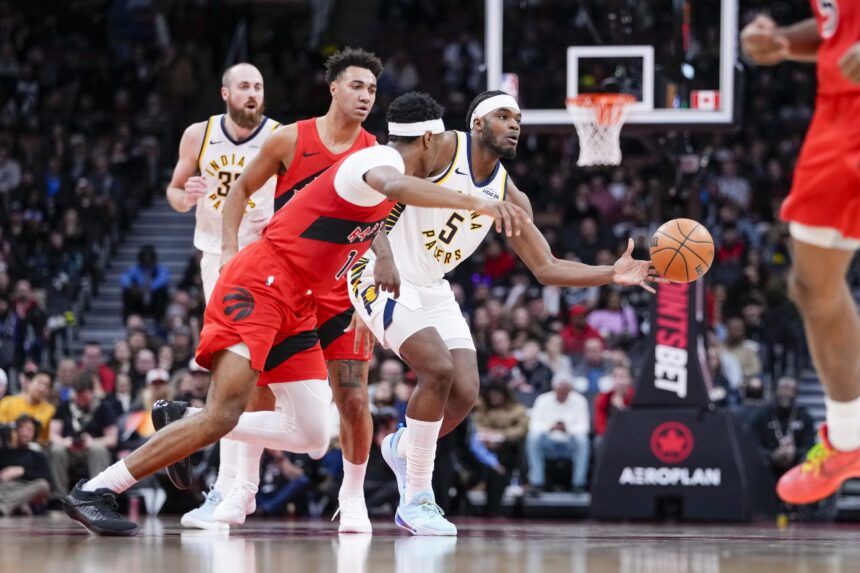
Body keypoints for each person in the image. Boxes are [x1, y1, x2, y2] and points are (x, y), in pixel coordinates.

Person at [61, 91, 528, 536]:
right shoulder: (375, 162)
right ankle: (97, 489)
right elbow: (395, 185)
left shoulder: (399, 193)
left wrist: (365, 302)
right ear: (429, 140)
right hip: (259, 287)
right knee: (224, 414)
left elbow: (374, 241)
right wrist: (476, 201)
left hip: (303, 302)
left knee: (310, 435)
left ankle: (185, 416)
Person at [348, 90, 655, 535]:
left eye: (518, 118)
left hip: (431, 285)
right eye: (503, 116)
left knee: (464, 391)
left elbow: (546, 267)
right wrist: (382, 259)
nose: (514, 125)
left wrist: (611, 273)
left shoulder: (509, 194)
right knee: (437, 369)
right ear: (477, 123)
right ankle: (416, 497)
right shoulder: (438, 147)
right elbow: (367, 199)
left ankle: (401, 446)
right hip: (379, 270)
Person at [182, 49, 391, 533]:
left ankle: (352, 499)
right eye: (356, 86)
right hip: (285, 285)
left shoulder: (374, 151)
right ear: (333, 88)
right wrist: (230, 250)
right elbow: (239, 190)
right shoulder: (290, 138)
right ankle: (241, 489)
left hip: (339, 291)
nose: (365, 96)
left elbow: (378, 221)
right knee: (257, 391)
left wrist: (378, 272)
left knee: (351, 399)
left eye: (372, 90)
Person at [742, 7, 860, 504]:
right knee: (812, 286)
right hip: (839, 110)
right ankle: (849, 441)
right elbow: (838, 26)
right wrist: (786, 41)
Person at [163, 61, 280, 529]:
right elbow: (174, 192)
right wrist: (185, 195)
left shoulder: (279, 135)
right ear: (225, 93)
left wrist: (284, 213)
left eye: (259, 86)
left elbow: (305, 190)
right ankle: (231, 485)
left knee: (257, 374)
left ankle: (235, 484)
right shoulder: (199, 134)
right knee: (236, 368)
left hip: (268, 256)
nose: (253, 93)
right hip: (219, 259)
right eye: (244, 86)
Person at [49, 373, 118, 495]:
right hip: (69, 450)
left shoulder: (103, 407)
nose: (81, 401)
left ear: (92, 392)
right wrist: (64, 442)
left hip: (91, 449)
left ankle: (97, 495)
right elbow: (53, 435)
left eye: (84, 398)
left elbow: (112, 439)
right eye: (78, 397)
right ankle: (59, 496)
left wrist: (92, 442)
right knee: (56, 450)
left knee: (99, 450)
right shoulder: (64, 407)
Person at [525, 374, 590, 493]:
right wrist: (550, 427)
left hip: (570, 443)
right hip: (548, 442)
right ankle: (537, 482)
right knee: (533, 438)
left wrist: (567, 428)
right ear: (554, 388)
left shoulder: (580, 400)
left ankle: (579, 483)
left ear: (570, 389)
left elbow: (584, 427)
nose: (562, 394)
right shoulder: (542, 400)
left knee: (583, 440)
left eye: (565, 391)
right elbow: (534, 426)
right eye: (559, 391)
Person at [751, 376, 816, 484]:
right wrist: (772, 455)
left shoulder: (805, 417)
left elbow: (810, 446)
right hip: (767, 469)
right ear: (776, 391)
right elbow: (753, 445)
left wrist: (795, 453)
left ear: (796, 393)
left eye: (790, 389)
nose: (786, 393)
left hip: (796, 469)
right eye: (783, 388)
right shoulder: (761, 416)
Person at [0, 415, 51, 516]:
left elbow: (46, 477)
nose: (25, 433)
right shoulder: (4, 452)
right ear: (15, 430)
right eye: (22, 429)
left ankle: (4, 508)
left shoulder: (37, 455)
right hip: (6, 488)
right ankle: (18, 507)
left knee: (43, 485)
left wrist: (22, 471)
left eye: (29, 430)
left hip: (26, 488)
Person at [0, 369, 54, 445]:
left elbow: (46, 439)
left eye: (47, 386)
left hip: (35, 448)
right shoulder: (7, 402)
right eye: (40, 382)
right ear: (29, 382)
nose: (42, 388)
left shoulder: (50, 410)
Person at [120, 246, 170, 321]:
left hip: (154, 300)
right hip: (138, 299)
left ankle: (159, 320)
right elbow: (124, 278)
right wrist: (132, 287)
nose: (147, 260)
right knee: (127, 292)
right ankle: (130, 318)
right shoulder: (134, 269)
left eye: (149, 258)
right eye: (145, 257)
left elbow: (163, 279)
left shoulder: (160, 269)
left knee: (162, 291)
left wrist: (149, 288)